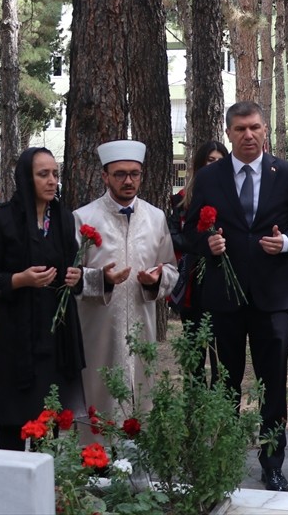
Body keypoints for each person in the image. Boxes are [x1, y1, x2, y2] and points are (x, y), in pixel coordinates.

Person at [181, 101, 288, 493]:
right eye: (240, 129)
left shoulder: (287, 173)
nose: (249, 135)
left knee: (272, 382)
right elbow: (189, 231)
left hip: (273, 297)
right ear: (228, 133)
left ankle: (272, 463)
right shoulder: (209, 178)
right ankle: (223, 457)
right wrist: (209, 243)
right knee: (225, 380)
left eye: (255, 127)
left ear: (265, 130)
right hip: (224, 296)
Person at [0, 147, 85, 451]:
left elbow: (70, 267)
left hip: (54, 335)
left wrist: (76, 276)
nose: (51, 181)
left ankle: (43, 489)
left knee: (48, 419)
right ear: (25, 177)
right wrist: (19, 280)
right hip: (17, 336)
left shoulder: (62, 217)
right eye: (43, 174)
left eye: (55, 174)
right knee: (14, 418)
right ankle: (11, 490)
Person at [74, 140, 177, 418]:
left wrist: (154, 281)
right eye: (120, 174)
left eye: (135, 173)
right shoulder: (84, 218)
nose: (128, 180)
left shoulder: (155, 218)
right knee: (101, 397)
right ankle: (97, 458)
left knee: (141, 397)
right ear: (105, 176)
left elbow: (171, 269)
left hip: (142, 324)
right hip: (100, 329)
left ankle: (137, 456)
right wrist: (102, 279)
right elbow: (71, 278)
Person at [168, 140, 229, 356]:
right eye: (209, 160)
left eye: (219, 161)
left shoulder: (231, 197)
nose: (213, 165)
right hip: (192, 277)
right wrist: (201, 246)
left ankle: (217, 389)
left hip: (221, 275)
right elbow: (173, 233)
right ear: (199, 164)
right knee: (193, 339)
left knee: (220, 345)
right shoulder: (182, 199)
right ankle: (195, 387)